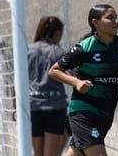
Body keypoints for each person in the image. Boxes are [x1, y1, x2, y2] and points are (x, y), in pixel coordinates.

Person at [49, 4, 118, 156]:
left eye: (116, 17)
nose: (116, 21)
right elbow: (54, 71)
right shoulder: (85, 47)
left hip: (106, 112)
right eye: (110, 18)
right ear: (95, 22)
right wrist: (76, 82)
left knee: (77, 153)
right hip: (84, 112)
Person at [28, 15, 69, 156]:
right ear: (57, 32)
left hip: (33, 107)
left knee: (38, 153)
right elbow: (75, 77)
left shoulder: (28, 50)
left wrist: (15, 108)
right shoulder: (61, 51)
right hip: (55, 107)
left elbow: (16, 84)